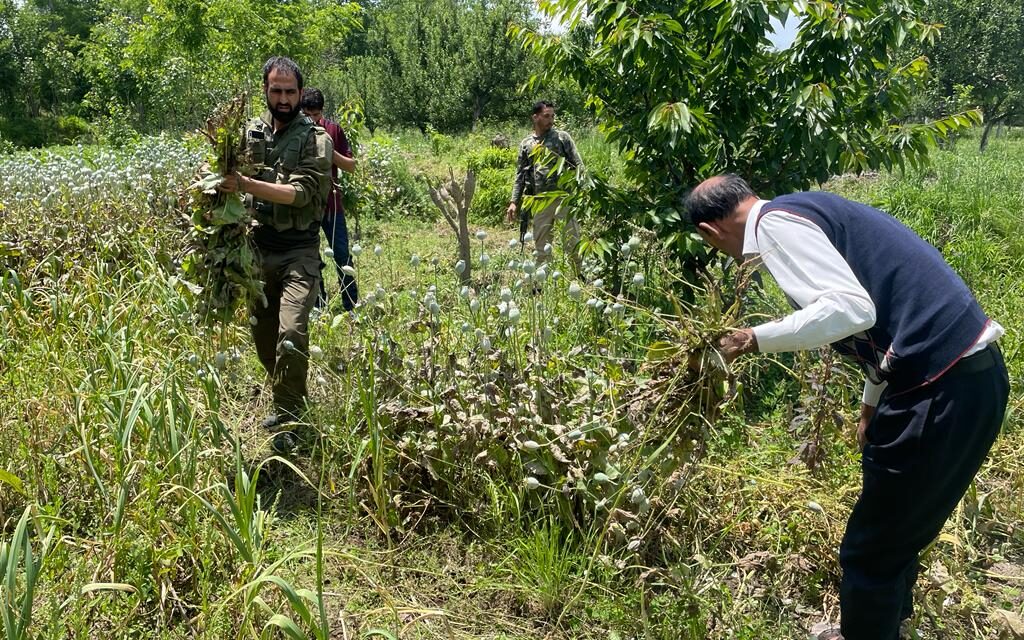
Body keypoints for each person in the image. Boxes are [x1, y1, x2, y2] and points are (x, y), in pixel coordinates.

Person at [685, 175, 1008, 640]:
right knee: (897, 533)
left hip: (938, 389)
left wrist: (751, 338)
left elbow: (852, 310)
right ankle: (880, 628)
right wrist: (870, 404)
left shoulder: (775, 227)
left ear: (710, 232)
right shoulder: (807, 209)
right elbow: (884, 322)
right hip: (968, 378)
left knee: (871, 551)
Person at [217, 56, 333, 446]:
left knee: (292, 333)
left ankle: (291, 419)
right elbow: (222, 174)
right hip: (256, 251)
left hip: (299, 251)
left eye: (290, 91)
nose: (283, 98)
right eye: (276, 91)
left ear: (301, 93)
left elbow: (300, 195)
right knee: (265, 340)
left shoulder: (317, 139)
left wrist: (245, 184)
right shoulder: (250, 134)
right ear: (265, 91)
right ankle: (288, 396)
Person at [506, 100, 584, 273]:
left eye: (552, 116)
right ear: (535, 117)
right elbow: (520, 175)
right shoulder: (527, 144)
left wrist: (581, 192)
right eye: (546, 116)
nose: (551, 120)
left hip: (563, 199)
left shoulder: (562, 138)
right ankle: (541, 286)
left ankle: (580, 277)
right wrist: (513, 201)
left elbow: (578, 166)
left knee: (572, 242)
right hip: (540, 201)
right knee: (541, 246)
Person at [300, 87, 358, 311]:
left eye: (316, 115)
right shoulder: (295, 132)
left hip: (332, 205)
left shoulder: (333, 130)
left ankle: (351, 306)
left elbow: (351, 166)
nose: (312, 120)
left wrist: (329, 150)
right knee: (311, 259)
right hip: (305, 207)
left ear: (322, 113)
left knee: (342, 256)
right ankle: (318, 306)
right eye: (307, 115)